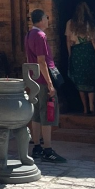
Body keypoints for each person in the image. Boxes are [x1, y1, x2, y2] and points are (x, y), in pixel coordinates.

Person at [24, 9, 67, 163]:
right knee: (48, 112)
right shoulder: (40, 36)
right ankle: (48, 149)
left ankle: (37, 147)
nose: (48, 20)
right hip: (42, 80)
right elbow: (41, 61)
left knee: (36, 114)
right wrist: (50, 84)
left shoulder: (29, 34)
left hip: (33, 79)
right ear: (41, 20)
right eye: (46, 18)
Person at [66, 2, 95, 115]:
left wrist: (70, 55)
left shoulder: (70, 23)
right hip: (88, 52)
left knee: (80, 81)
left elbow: (68, 41)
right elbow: (94, 42)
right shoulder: (89, 24)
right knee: (91, 80)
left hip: (77, 53)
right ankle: (92, 107)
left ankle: (85, 108)